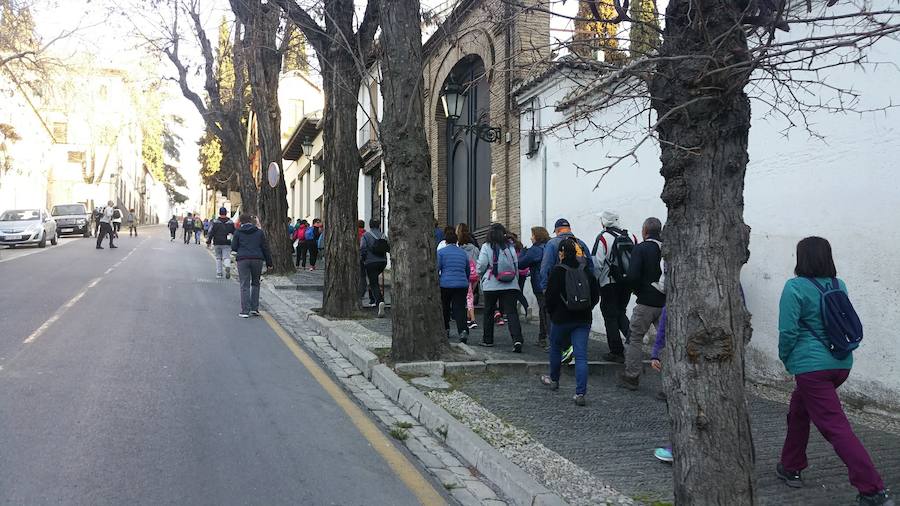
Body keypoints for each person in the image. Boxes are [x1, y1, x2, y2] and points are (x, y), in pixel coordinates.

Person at [775, 237, 893, 506]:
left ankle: (872, 490)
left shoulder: (794, 287)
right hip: (840, 364)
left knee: (836, 428)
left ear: (800, 257)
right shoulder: (840, 285)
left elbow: (788, 331)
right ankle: (791, 466)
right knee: (798, 412)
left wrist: (787, 359)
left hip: (811, 368)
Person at [540, 237, 600, 406]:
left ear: (561, 254)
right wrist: (586, 308)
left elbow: (549, 298)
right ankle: (580, 393)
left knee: (556, 347)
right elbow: (595, 295)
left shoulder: (558, 271)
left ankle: (554, 379)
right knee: (581, 356)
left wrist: (553, 313)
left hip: (561, 318)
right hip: (583, 318)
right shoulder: (586, 270)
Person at [618, 217, 665, 391]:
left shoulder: (641, 248)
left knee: (635, 337)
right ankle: (669, 385)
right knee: (666, 342)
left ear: (645, 231)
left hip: (646, 301)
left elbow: (632, 276)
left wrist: (637, 290)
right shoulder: (668, 248)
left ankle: (632, 376)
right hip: (666, 303)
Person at [539, 218, 594, 363]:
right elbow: (591, 267)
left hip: (560, 289)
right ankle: (573, 349)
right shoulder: (581, 243)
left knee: (557, 319)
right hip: (581, 290)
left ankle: (562, 348)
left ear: (557, 231)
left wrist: (544, 287)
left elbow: (546, 267)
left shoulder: (552, 243)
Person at [592, 211, 638, 363]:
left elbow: (597, 263)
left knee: (610, 316)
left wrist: (596, 282)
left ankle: (616, 351)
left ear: (604, 222)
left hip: (609, 282)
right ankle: (633, 343)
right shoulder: (631, 236)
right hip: (627, 282)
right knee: (620, 312)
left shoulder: (603, 238)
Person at [476, 223, 523, 351]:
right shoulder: (509, 246)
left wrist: (480, 276)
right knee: (512, 312)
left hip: (491, 284)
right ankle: (517, 339)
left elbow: (481, 265)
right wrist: (516, 281)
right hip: (510, 283)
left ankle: (488, 339)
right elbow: (515, 265)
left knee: (489, 311)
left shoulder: (486, 246)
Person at [231, 214, 273, 318]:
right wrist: (269, 263)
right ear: (251, 221)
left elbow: (234, 247)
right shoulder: (259, 232)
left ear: (241, 221)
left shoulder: (238, 232)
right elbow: (265, 248)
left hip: (243, 259)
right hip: (257, 259)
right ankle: (254, 308)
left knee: (244, 284)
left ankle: (245, 310)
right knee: (255, 283)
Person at [437, 228, 472, 343]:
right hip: (461, 284)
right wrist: (465, 280)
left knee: (445, 307)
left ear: (445, 241)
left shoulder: (441, 253)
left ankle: (446, 329)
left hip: (445, 284)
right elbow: (467, 269)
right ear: (456, 241)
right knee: (460, 308)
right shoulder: (463, 253)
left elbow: (438, 268)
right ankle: (463, 331)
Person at [518, 226, 549, 348]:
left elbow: (521, 264)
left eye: (532, 235)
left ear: (537, 236)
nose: (531, 238)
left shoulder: (535, 250)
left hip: (539, 284)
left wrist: (523, 253)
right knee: (545, 310)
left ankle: (547, 339)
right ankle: (542, 337)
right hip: (550, 283)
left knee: (544, 311)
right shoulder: (549, 246)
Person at [359, 218, 388, 317]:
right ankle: (374, 300)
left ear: (370, 225)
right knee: (374, 279)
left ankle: (380, 301)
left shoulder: (366, 235)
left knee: (373, 282)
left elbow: (362, 248)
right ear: (379, 225)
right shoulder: (383, 235)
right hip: (382, 262)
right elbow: (388, 246)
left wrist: (363, 258)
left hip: (371, 262)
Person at [457, 223, 480, 329]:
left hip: (465, 275)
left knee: (469, 297)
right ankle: (468, 318)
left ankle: (473, 319)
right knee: (469, 296)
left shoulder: (459, 250)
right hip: (475, 275)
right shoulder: (475, 249)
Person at [207, 207, 236, 279]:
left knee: (218, 258)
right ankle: (227, 266)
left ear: (219, 213)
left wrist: (209, 241)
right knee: (226, 257)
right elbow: (235, 232)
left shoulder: (215, 222)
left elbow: (211, 232)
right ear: (226, 213)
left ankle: (219, 273)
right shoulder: (230, 222)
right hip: (227, 242)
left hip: (217, 242)